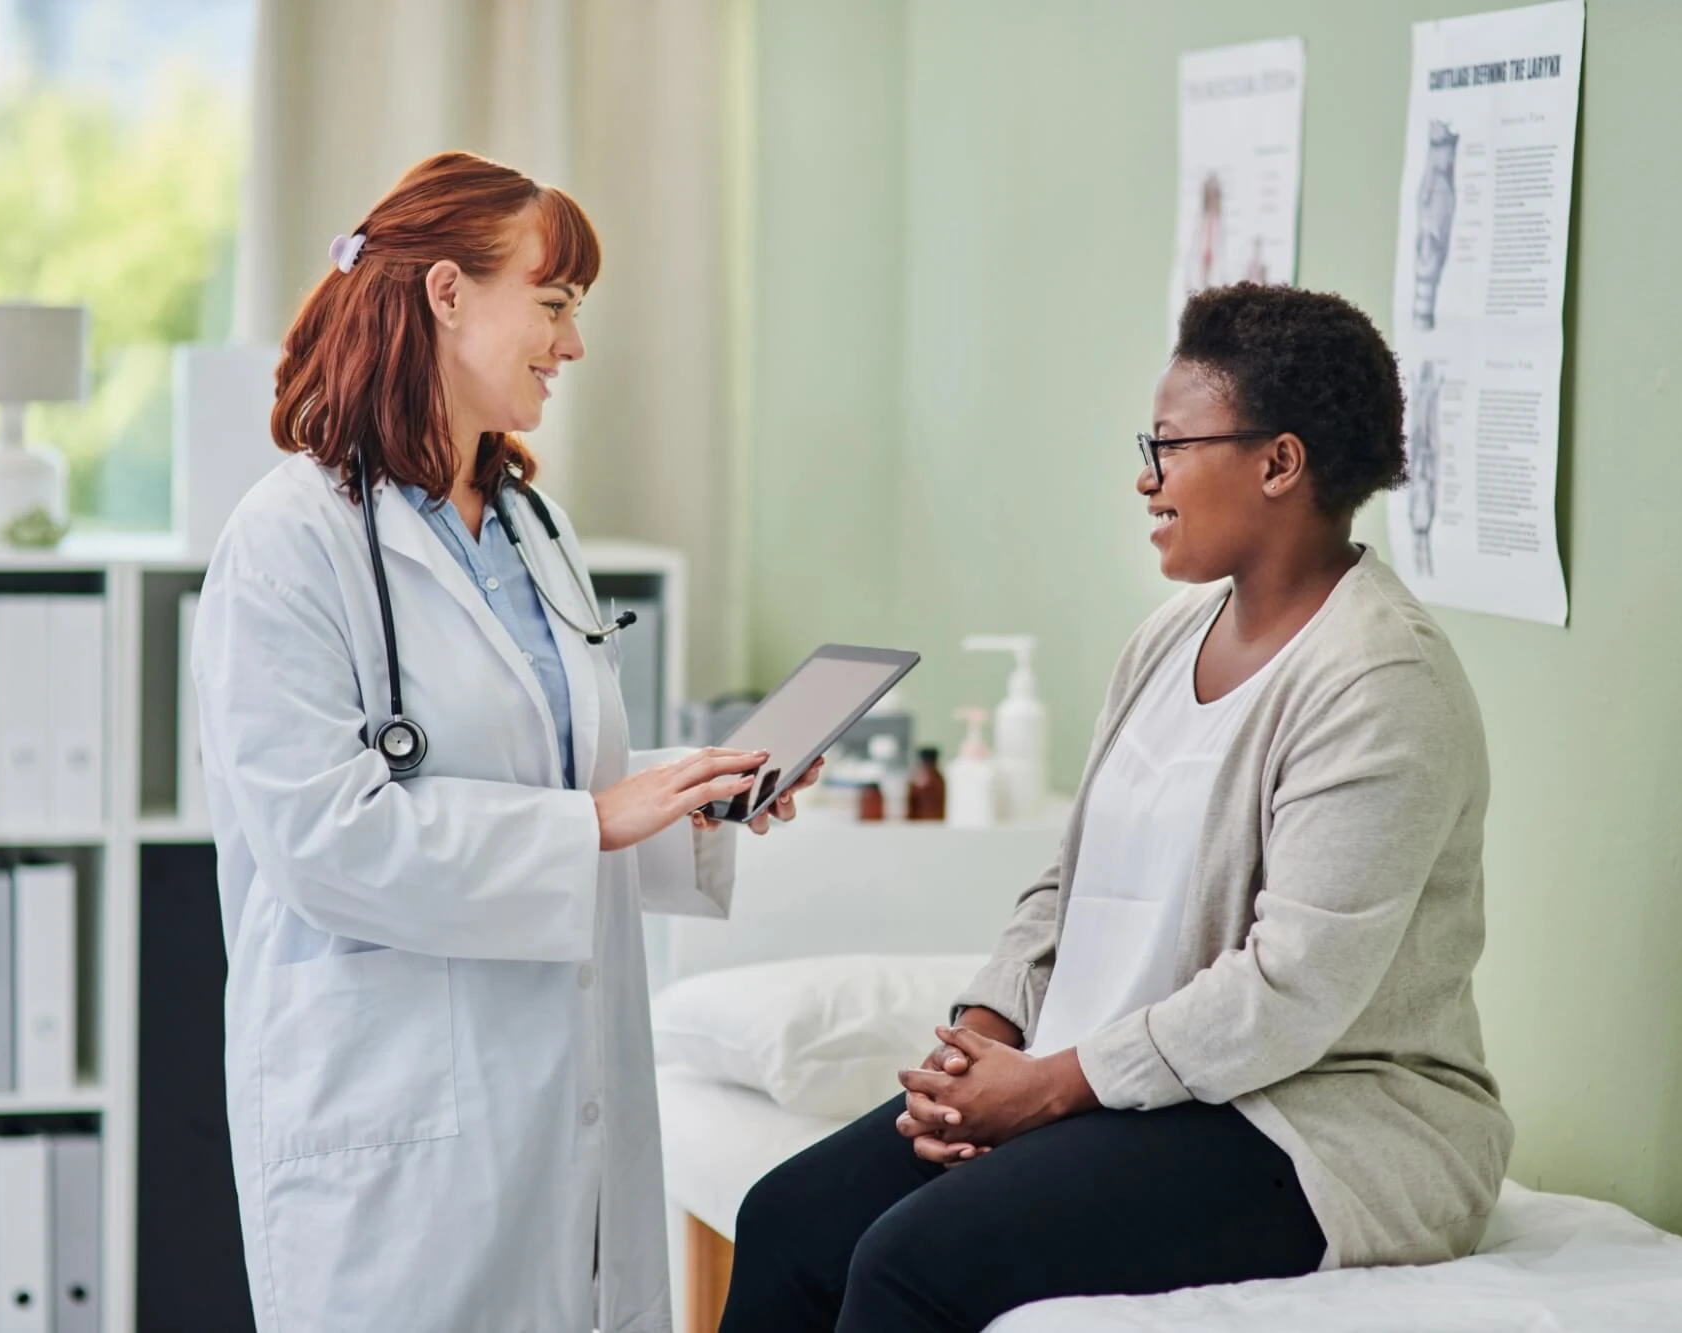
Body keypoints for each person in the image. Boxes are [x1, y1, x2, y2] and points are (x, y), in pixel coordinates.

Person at [720, 284, 1512, 1332]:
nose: (1144, 477)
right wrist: (980, 1040)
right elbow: (1068, 877)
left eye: (1170, 446)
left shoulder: (1377, 681)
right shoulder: (1167, 638)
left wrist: (1045, 1086)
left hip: (1308, 1119)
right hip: (1127, 1081)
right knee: (787, 1218)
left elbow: (1289, 990)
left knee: (912, 1262)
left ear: (1278, 462)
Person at [192, 151, 815, 1333]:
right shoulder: (290, 541)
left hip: (560, 1096)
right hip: (393, 1120)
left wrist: (692, 797)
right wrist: (596, 820)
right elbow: (322, 840)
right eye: (553, 301)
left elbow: (561, 788)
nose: (573, 344)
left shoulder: (533, 527)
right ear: (444, 294)